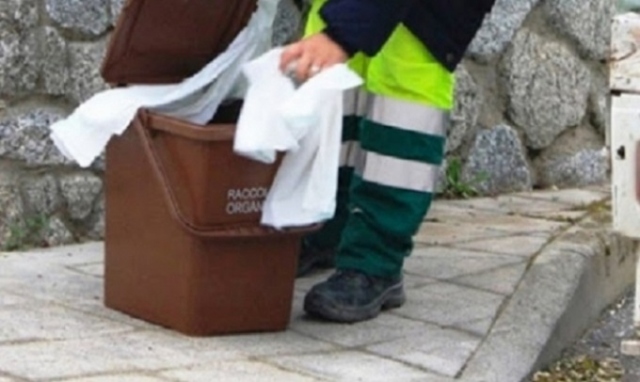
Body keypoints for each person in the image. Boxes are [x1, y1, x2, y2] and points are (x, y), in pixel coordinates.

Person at [279, 0, 496, 323]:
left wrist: (342, 34)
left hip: (429, 13)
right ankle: (324, 227)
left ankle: (374, 260)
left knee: (403, 101)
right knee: (334, 87)